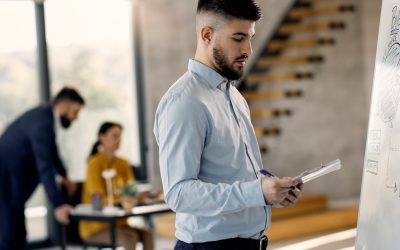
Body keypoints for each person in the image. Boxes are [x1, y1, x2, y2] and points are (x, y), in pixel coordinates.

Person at [153, 1, 304, 249]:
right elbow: (178, 193)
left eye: (250, 38)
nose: (248, 49)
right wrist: (257, 192)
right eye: (238, 38)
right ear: (207, 35)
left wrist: (272, 191)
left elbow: (236, 175)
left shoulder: (233, 96)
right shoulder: (184, 102)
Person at [0, 87, 85, 250]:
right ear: (63, 105)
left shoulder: (45, 117)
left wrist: (65, 176)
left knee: (18, 236)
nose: (76, 117)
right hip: (5, 182)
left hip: (12, 184)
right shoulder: (42, 123)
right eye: (75, 111)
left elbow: (53, 153)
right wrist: (58, 205)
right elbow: (44, 165)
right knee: (8, 236)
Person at [80, 122, 154, 250]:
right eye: (115, 136)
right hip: (96, 227)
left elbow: (131, 190)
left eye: (120, 136)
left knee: (147, 234)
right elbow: (98, 199)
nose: (118, 140)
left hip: (119, 223)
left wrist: (138, 196)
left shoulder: (123, 163)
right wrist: (126, 200)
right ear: (102, 137)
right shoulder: (94, 164)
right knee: (129, 237)